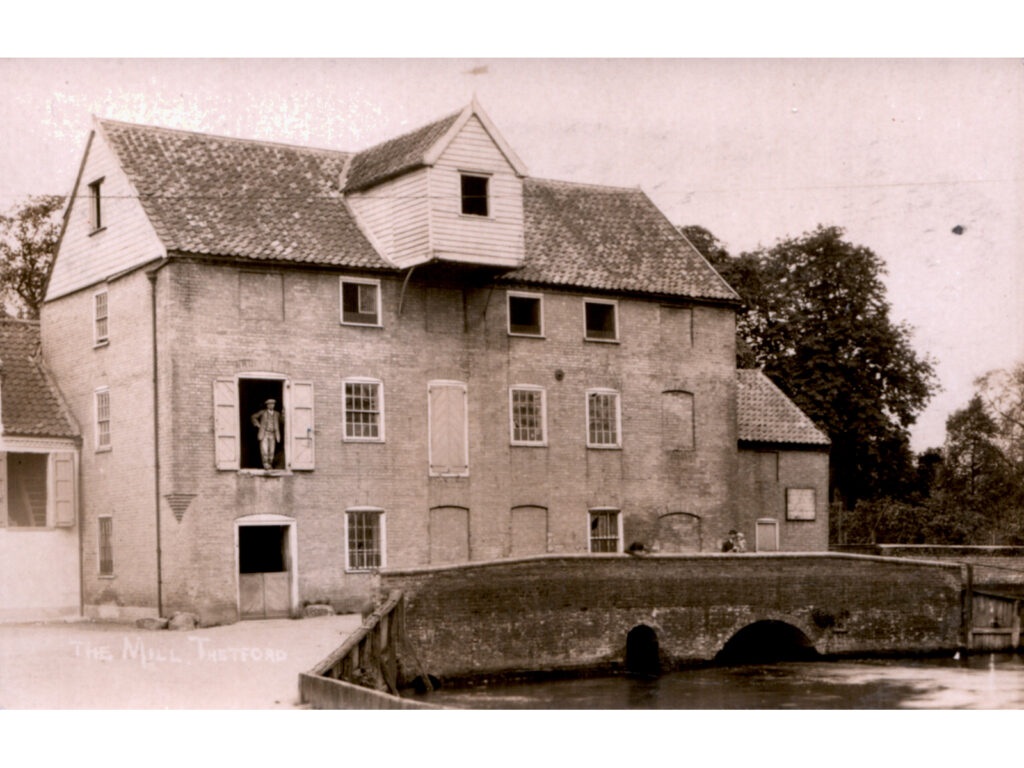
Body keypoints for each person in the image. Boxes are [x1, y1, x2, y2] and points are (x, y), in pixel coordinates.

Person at [251, 398, 281, 469]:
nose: (271, 405)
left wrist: (284, 415)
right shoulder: (262, 412)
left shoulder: (277, 414)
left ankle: (270, 463)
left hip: (273, 434)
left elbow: (282, 421)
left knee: (272, 449)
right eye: (270, 404)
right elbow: (253, 417)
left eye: (273, 404)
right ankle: (265, 464)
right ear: (267, 405)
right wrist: (258, 425)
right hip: (264, 433)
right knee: (264, 449)